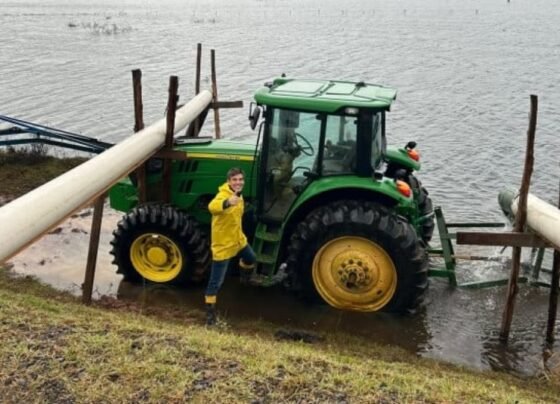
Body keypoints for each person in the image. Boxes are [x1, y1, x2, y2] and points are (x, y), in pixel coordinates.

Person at [204, 167, 256, 326]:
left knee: (251, 258)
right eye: (235, 180)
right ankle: (210, 316)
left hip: (238, 240)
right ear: (228, 182)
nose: (238, 182)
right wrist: (227, 203)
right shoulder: (223, 196)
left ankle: (244, 279)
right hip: (223, 245)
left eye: (240, 179)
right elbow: (212, 207)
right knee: (216, 282)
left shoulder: (239, 196)